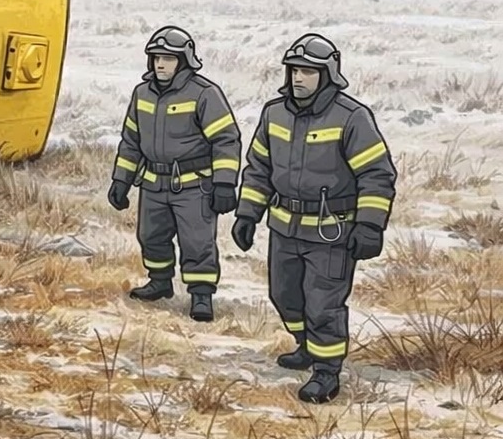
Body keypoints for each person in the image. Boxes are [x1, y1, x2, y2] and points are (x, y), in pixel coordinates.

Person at [232, 33, 397, 404]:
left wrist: (369, 225)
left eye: (308, 71)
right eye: (294, 70)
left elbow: (376, 173)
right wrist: (248, 213)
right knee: (285, 296)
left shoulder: (353, 118)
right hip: (284, 228)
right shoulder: (273, 113)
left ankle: (326, 373)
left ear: (328, 74)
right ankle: (307, 346)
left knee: (323, 304)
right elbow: (258, 167)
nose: (298, 78)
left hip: (332, 234)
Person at [108, 26, 242, 322]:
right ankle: (160, 282)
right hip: (154, 184)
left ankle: (201, 295)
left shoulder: (205, 94)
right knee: (150, 236)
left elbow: (226, 140)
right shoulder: (141, 93)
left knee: (197, 242)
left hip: (194, 186)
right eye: (156, 58)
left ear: (184, 60)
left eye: (168, 58)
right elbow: (131, 141)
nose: (160, 64)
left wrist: (224, 184)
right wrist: (121, 180)